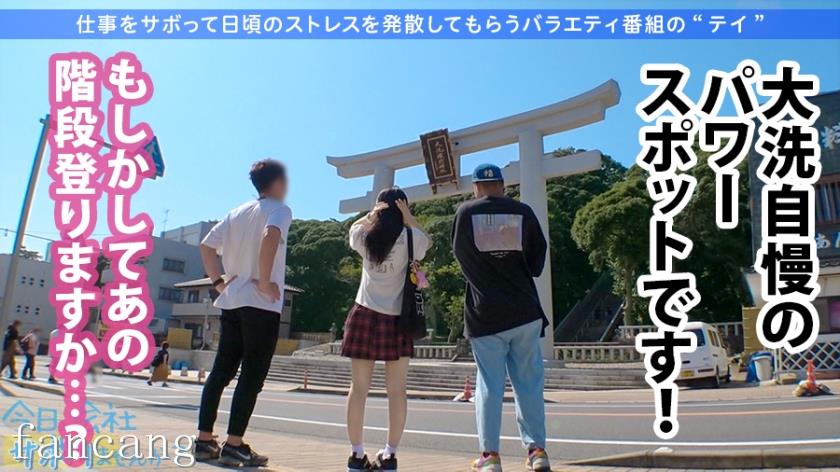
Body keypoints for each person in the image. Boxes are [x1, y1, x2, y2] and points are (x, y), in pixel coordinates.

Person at [193, 159, 293, 467]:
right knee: (252, 375)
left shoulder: (236, 212)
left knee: (221, 372)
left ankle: (204, 440)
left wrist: (218, 282)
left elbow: (206, 247)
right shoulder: (279, 209)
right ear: (277, 183)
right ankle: (234, 445)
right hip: (260, 304)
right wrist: (263, 281)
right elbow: (270, 237)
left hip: (232, 300)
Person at [452, 164, 551, 472]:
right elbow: (537, 261)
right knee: (529, 383)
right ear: (503, 186)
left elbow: (461, 255)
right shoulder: (523, 211)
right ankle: (537, 451)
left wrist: (485, 277)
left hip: (486, 313)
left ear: (476, 187)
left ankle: (490, 456)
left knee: (489, 385)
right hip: (524, 309)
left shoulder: (466, 212)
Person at [342, 187, 431, 472]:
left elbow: (353, 229)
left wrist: (371, 214)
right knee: (397, 391)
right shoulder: (411, 238)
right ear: (402, 208)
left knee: (358, 389)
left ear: (380, 208)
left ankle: (356, 455)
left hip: (365, 314)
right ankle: (390, 455)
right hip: (397, 320)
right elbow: (428, 240)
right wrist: (409, 217)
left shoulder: (365, 235)